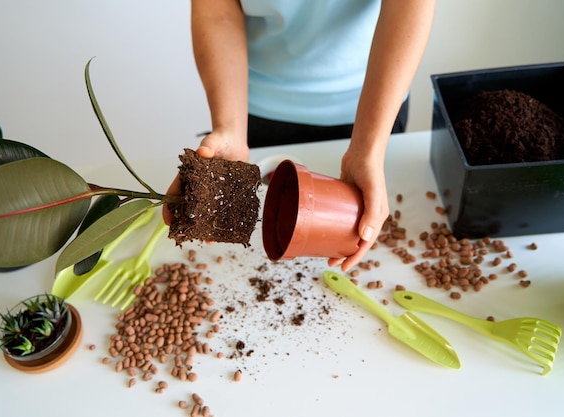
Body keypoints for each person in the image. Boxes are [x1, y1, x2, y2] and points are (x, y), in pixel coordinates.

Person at [164, 0, 436, 271]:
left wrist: (368, 150)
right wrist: (230, 128)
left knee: (357, 227)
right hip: (250, 104)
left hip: (373, 104)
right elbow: (216, 11)